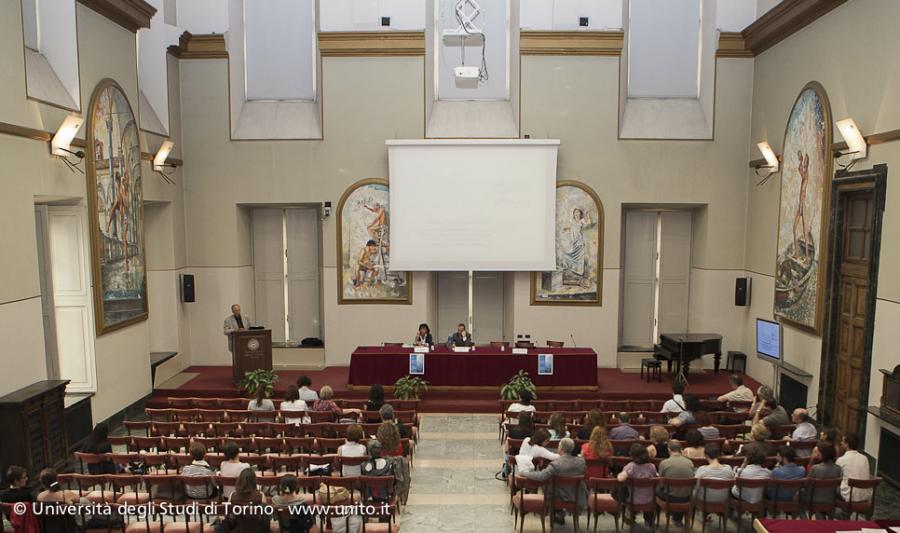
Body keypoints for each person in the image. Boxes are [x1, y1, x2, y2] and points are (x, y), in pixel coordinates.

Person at [522, 438, 587, 526]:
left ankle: (556, 512)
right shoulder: (581, 462)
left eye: (559, 446)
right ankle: (559, 513)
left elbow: (541, 476)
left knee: (548, 487)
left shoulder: (556, 464)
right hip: (577, 495)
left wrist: (524, 473)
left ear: (562, 449)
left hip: (559, 496)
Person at [617, 443, 659, 527]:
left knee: (620, 489)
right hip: (649, 499)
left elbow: (620, 478)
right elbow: (656, 477)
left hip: (634, 500)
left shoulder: (631, 466)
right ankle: (648, 519)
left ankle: (630, 515)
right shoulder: (652, 466)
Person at [657, 441, 694, 526]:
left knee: (656, 489)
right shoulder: (690, 462)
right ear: (681, 450)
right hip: (687, 497)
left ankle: (652, 521)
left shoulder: (664, 463)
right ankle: (677, 519)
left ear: (669, 450)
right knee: (679, 491)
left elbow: (661, 483)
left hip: (670, 497)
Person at [836, 432, 872, 502]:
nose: (841, 443)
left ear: (847, 444)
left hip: (849, 495)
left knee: (830, 488)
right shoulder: (865, 458)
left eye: (842, 441)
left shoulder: (841, 460)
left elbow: (837, 477)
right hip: (865, 495)